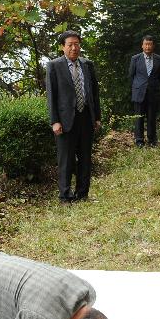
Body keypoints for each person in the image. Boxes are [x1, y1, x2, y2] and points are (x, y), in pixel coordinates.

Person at [47, 30, 102, 204]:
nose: (74, 48)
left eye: (76, 44)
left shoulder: (87, 64)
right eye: (70, 44)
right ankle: (65, 195)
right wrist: (54, 121)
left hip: (86, 117)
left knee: (85, 157)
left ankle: (82, 194)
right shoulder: (54, 66)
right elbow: (51, 96)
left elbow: (94, 93)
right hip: (65, 120)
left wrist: (97, 117)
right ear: (62, 47)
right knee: (66, 159)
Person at [128, 35, 160, 147]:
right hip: (139, 92)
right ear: (142, 45)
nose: (148, 46)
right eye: (146, 44)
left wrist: (157, 87)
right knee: (139, 118)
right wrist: (136, 88)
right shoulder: (135, 59)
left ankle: (152, 140)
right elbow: (131, 76)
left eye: (150, 44)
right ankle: (139, 140)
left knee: (151, 117)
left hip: (153, 92)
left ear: (153, 46)